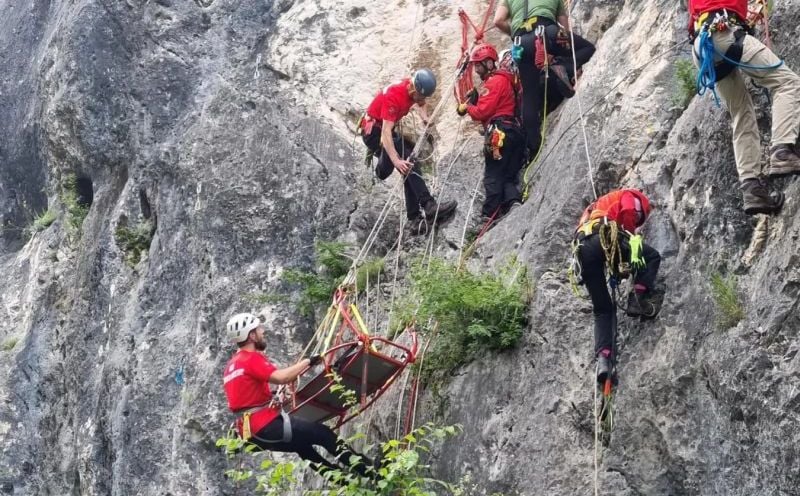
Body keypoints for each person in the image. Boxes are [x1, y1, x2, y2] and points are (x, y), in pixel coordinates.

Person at [222, 312, 375, 477]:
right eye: (259, 329)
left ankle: (344, 481)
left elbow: (246, 396)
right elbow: (283, 377)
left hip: (249, 432)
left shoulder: (231, 366)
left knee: (303, 448)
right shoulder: (250, 359)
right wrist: (307, 361)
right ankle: (368, 471)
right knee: (323, 434)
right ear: (251, 335)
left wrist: (272, 394)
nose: (262, 331)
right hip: (265, 425)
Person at [689, 0, 800, 215]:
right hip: (724, 32)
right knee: (787, 83)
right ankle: (782, 151)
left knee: (741, 112)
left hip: (703, 47)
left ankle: (752, 189)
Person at [573, 189, 662, 383]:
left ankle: (604, 361)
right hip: (604, 235)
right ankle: (637, 299)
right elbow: (629, 212)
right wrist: (633, 237)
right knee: (652, 256)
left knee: (603, 309)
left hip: (583, 250)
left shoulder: (594, 208)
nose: (640, 222)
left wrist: (615, 267)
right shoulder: (630, 194)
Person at [360, 69, 457, 234]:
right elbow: (385, 132)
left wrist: (424, 117)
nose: (421, 99)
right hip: (374, 132)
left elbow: (421, 103)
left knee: (409, 162)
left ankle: (414, 218)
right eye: (420, 95)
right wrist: (395, 160)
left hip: (383, 131)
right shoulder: (394, 96)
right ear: (414, 89)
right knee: (403, 159)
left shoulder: (414, 89)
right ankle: (428, 205)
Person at [494, 0, 595, 156]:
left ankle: (534, 144)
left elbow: (498, 21)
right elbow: (564, 26)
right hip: (547, 32)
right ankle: (565, 71)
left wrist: (514, 33)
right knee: (587, 48)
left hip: (521, 44)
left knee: (529, 95)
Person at [456, 43, 526, 222]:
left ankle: (489, 214)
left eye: (478, 65)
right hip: (514, 132)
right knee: (508, 174)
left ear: (489, 63)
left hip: (498, 133)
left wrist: (468, 107)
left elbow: (482, 112)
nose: (476, 69)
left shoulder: (494, 81)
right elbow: (495, 107)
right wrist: (477, 100)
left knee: (493, 173)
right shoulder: (506, 80)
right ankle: (512, 201)